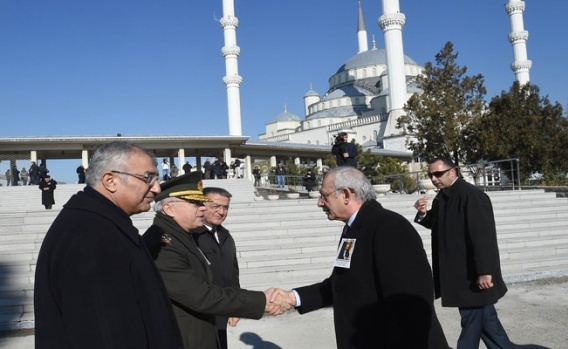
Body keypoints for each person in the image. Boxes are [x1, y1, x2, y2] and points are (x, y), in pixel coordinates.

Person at [270, 167, 449, 349]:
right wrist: (293, 298)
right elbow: (341, 284)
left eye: (324, 196)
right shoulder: (354, 228)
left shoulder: (390, 227)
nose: (319, 203)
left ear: (346, 194)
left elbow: (410, 304)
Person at [34, 141, 183, 349]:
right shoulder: (88, 236)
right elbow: (105, 334)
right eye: (148, 177)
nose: (157, 188)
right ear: (111, 181)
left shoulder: (102, 224)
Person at [143, 172, 285, 349]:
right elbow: (201, 296)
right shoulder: (161, 243)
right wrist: (261, 301)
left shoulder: (180, 235)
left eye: (202, 203)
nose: (203, 208)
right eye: (195, 203)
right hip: (184, 338)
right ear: (169, 209)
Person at [414, 157, 515, 349]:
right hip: (457, 274)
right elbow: (435, 225)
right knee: (489, 326)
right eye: (430, 175)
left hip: (472, 274)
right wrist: (422, 213)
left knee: (470, 322)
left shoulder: (472, 196)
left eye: (438, 174)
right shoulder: (442, 197)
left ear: (453, 172)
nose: (434, 178)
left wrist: (485, 271)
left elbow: (483, 237)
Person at [191, 187, 239, 349]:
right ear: (202, 206)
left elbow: (233, 274)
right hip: (199, 312)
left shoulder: (226, 236)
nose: (221, 212)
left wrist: (235, 304)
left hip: (221, 308)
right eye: (216, 206)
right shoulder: (191, 236)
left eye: (225, 207)